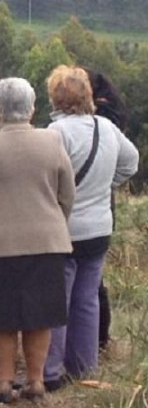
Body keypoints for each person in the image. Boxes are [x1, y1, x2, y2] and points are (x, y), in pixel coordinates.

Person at [0, 78, 75, 403]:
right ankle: (36, 380)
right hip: (45, 240)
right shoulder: (52, 142)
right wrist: (55, 223)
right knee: (40, 315)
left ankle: (4, 380)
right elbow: (67, 193)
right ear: (32, 107)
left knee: (1, 315)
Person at [43, 66, 139, 391]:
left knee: (58, 299)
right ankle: (83, 368)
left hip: (64, 228)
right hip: (99, 227)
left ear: (56, 96)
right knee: (87, 299)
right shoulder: (107, 128)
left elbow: (45, 178)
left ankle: (51, 371)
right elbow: (132, 161)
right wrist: (105, 186)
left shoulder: (56, 133)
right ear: (87, 96)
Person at [85, 69, 129, 351]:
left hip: (80, 206)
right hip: (102, 207)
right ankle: (99, 341)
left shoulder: (96, 122)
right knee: (93, 279)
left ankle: (94, 340)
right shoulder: (112, 120)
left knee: (84, 281)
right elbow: (129, 161)